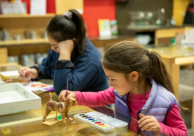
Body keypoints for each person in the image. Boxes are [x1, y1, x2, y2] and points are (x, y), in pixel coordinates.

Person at [59, 41, 188, 136]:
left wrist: (160, 128)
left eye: (113, 79)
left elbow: (183, 132)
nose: (110, 84)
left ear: (133, 76)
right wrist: (74, 95)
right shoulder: (120, 93)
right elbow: (98, 97)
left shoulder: (165, 101)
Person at [18, 9, 108, 95]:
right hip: (73, 105)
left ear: (72, 42)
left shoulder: (91, 60)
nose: (52, 48)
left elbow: (64, 90)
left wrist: (64, 53)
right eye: (51, 44)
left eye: (55, 46)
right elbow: (49, 67)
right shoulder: (59, 48)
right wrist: (34, 72)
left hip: (92, 108)